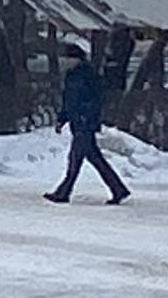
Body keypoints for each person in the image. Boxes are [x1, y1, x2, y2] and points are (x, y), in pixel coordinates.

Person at [45, 45, 130, 203]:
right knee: (93, 159)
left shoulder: (88, 75)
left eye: (69, 58)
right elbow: (68, 101)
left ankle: (64, 192)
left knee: (75, 159)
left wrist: (87, 116)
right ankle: (118, 189)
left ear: (77, 59)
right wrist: (62, 119)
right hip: (77, 122)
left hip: (85, 122)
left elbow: (96, 99)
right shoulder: (71, 75)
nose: (66, 62)